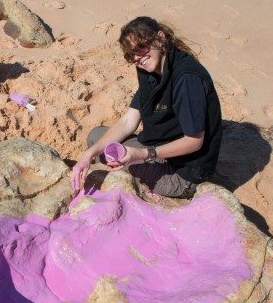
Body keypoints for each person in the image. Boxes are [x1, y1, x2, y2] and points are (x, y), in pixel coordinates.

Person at [71, 16, 223, 198]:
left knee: (119, 156)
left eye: (140, 49)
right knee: (96, 137)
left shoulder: (186, 79)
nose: (137, 58)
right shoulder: (150, 70)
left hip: (183, 175)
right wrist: (88, 155)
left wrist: (141, 154)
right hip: (158, 149)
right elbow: (128, 121)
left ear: (160, 38)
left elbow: (194, 141)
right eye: (130, 55)